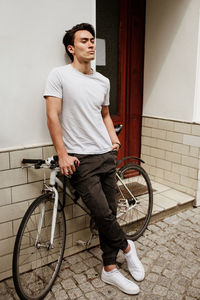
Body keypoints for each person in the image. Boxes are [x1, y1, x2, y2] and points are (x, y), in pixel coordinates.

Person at [44, 23, 145, 295]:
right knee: (101, 212)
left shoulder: (103, 81)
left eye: (92, 40)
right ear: (71, 48)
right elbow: (53, 115)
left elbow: (104, 115)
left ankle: (110, 269)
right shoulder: (59, 75)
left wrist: (113, 140)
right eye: (84, 40)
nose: (91, 44)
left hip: (105, 154)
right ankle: (127, 247)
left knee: (108, 213)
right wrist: (63, 154)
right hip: (80, 159)